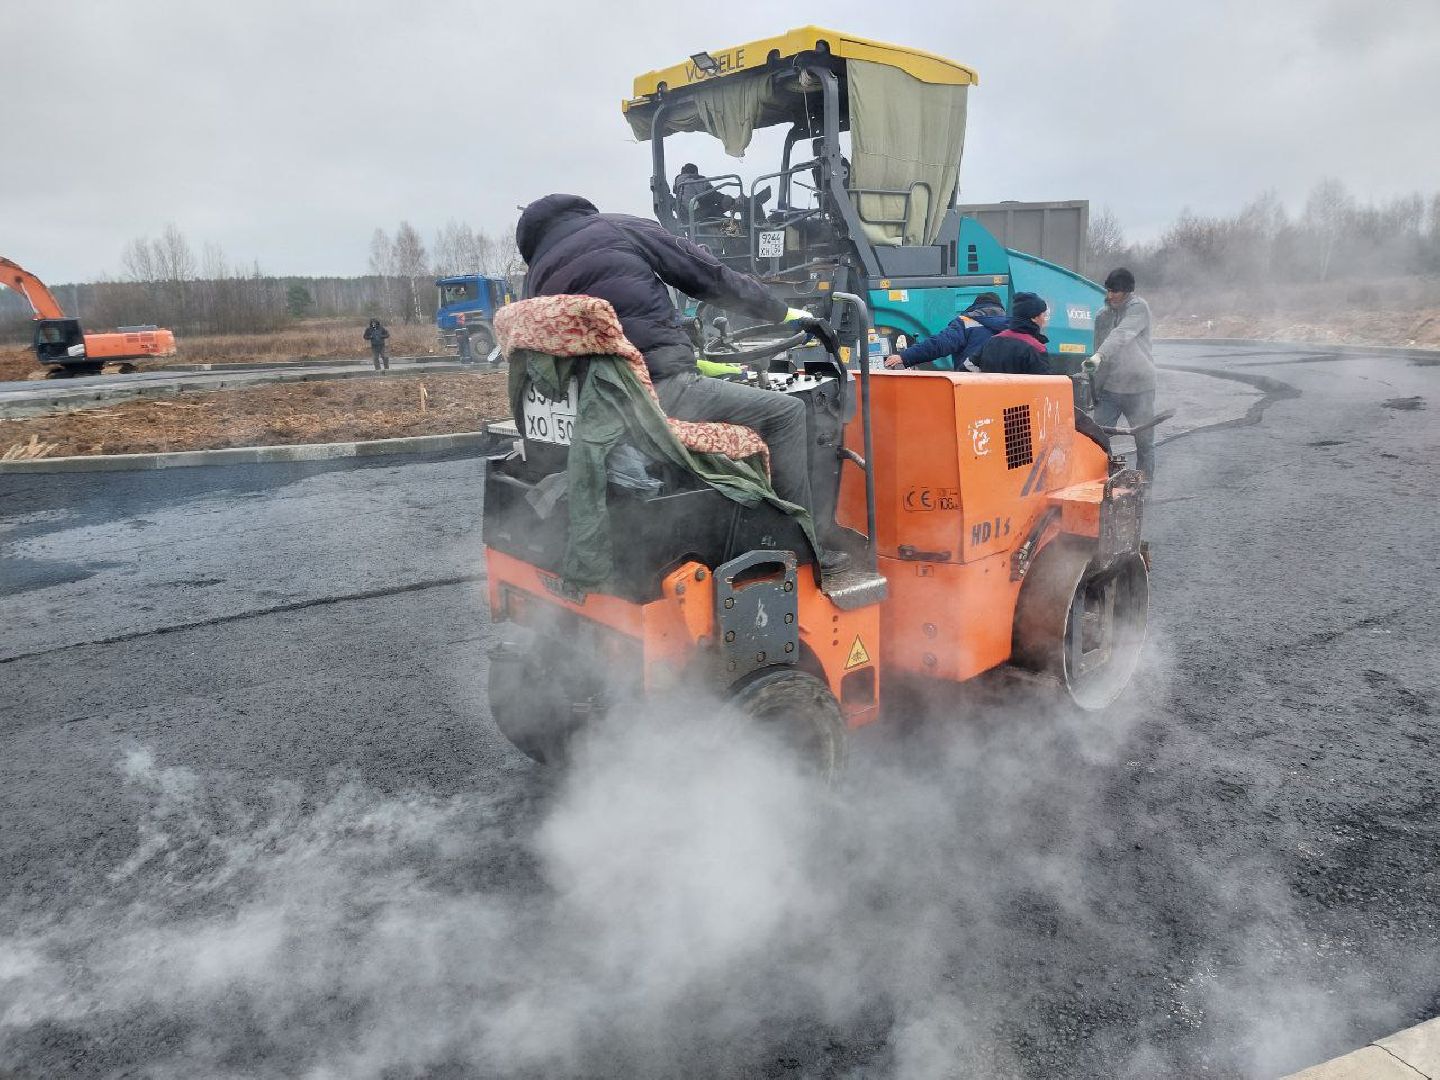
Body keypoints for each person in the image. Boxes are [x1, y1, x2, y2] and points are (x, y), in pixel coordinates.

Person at [515, 193, 848, 570]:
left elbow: (621, 346)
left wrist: (703, 367)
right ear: (580, 210)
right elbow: (707, 275)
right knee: (786, 412)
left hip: (598, 406)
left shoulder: (536, 275)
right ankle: (804, 548)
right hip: (653, 397)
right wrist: (785, 313)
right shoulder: (616, 226)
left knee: (727, 390)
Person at [1089, 267, 1157, 480]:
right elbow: (1098, 348)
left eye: (1115, 292)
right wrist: (1095, 387)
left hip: (1140, 388)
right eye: (1108, 291)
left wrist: (1099, 355)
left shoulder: (1139, 308)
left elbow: (1121, 335)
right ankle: (1099, 482)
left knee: (1144, 441)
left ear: (1128, 291)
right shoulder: (1102, 316)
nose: (1110, 296)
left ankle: (1144, 486)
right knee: (1096, 438)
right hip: (1110, 389)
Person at [883, 292, 1008, 371]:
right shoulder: (1011, 327)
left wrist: (905, 356)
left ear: (975, 307)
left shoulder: (965, 323)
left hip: (972, 387)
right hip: (1006, 389)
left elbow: (939, 344)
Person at [974, 292, 1052, 375]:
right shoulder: (1036, 348)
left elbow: (967, 368)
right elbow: (1044, 385)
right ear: (1034, 317)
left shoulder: (991, 341)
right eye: (1044, 315)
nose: (1045, 320)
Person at [672, 163, 737, 222]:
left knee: (711, 206)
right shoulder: (695, 179)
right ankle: (729, 226)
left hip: (684, 217)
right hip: (697, 214)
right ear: (695, 172)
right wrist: (730, 200)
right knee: (713, 209)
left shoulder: (679, 184)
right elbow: (711, 194)